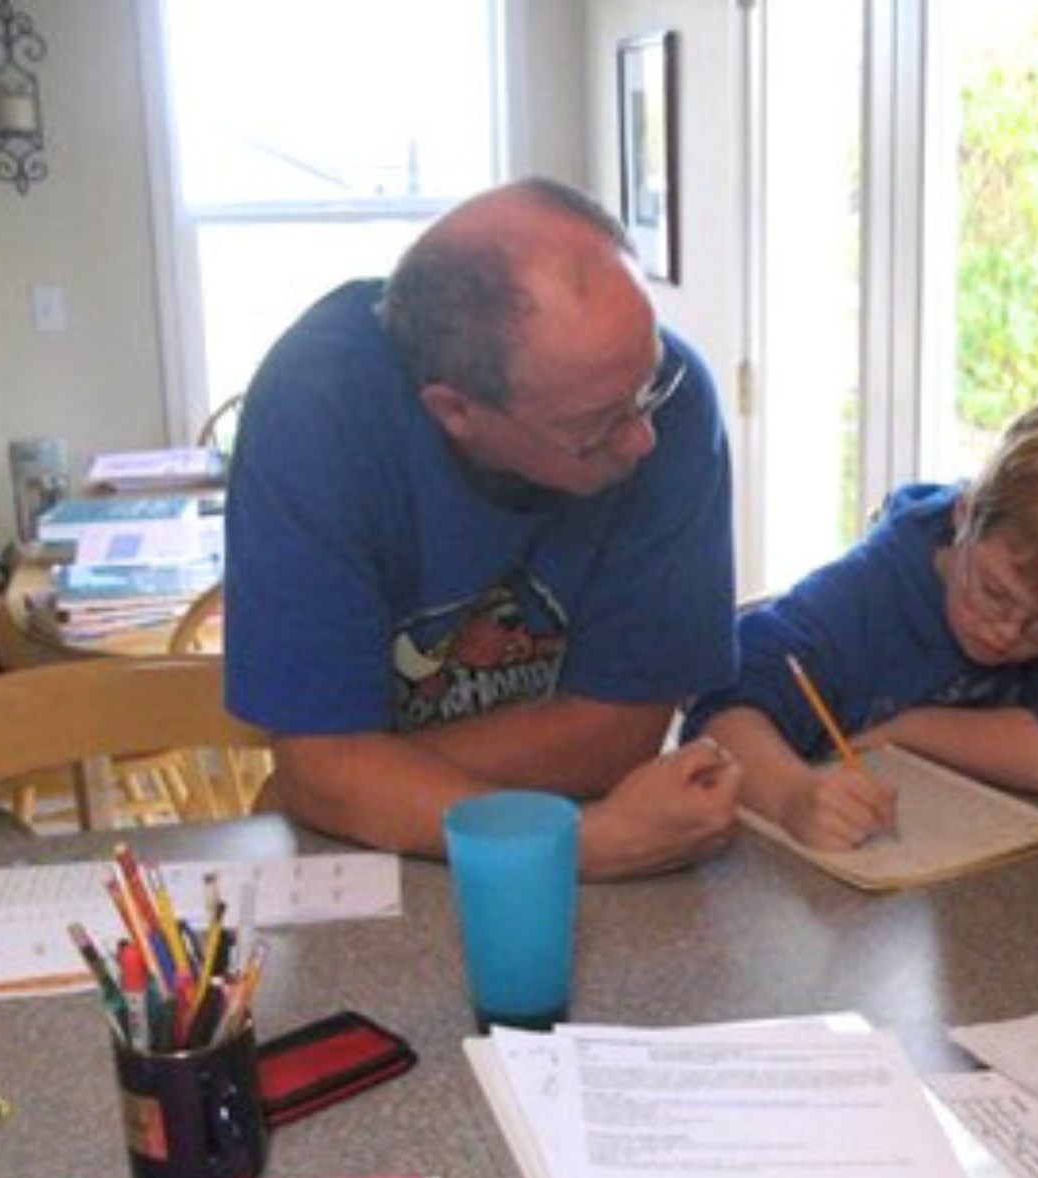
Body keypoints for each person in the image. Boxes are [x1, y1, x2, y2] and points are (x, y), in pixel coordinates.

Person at [224, 178, 743, 878]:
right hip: (380, 863)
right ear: (456, 411)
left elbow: (620, 730)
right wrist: (573, 844)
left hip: (531, 827)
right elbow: (326, 769)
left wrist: (361, 777)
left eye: (648, 385)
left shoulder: (666, 397)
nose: (644, 438)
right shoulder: (317, 409)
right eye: (593, 428)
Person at [682, 402, 1038, 851]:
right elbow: (719, 713)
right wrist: (793, 797)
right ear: (964, 515)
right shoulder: (865, 592)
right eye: (994, 593)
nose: (1007, 633)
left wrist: (903, 732)